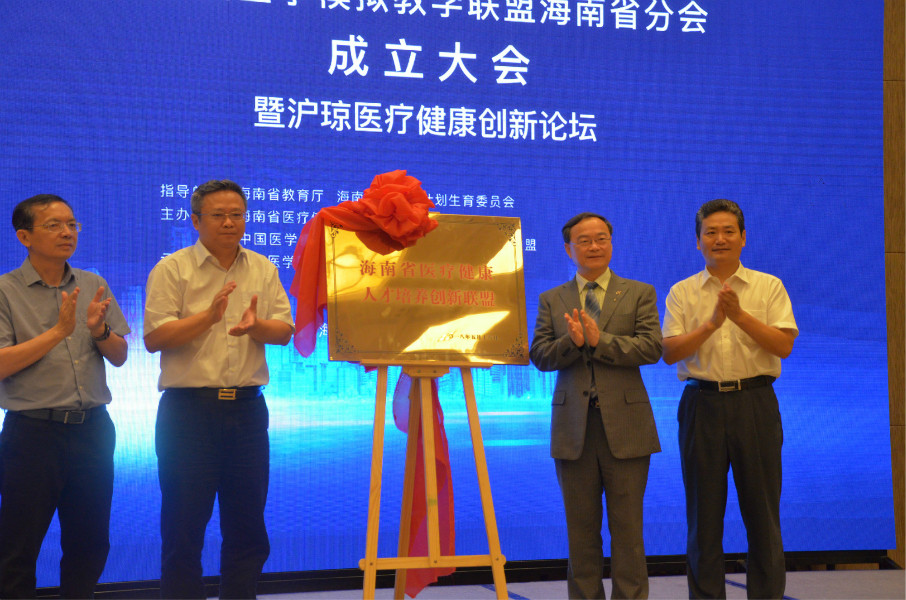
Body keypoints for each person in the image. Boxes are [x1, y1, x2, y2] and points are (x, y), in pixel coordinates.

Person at [144, 180, 294, 599]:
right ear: (196, 221)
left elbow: (283, 330)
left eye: (237, 215)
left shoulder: (262, 268)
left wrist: (256, 326)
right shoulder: (172, 269)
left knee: (247, 526)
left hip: (247, 412)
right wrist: (208, 317)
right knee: (183, 528)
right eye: (218, 215)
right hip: (188, 413)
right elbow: (155, 337)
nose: (230, 223)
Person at [662, 199, 798, 600]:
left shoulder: (768, 286)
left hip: (754, 403)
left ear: (743, 237)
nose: (719, 239)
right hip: (700, 404)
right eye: (710, 232)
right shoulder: (682, 291)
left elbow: (783, 345)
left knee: (763, 515)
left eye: (728, 231)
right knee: (702, 518)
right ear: (698, 241)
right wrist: (711, 324)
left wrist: (739, 316)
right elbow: (669, 352)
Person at [0, 194, 129, 598]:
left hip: (92, 431)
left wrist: (98, 331)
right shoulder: (5, 290)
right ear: (24, 236)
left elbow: (121, 355)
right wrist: (58, 332)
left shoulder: (93, 284)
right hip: (32, 434)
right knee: (17, 547)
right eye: (54, 225)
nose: (67, 232)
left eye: (72, 224)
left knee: (90, 543)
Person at [530, 212, 662, 599]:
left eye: (601, 238)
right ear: (568, 249)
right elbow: (540, 355)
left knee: (628, 531)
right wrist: (572, 342)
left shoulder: (639, 292)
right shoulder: (552, 298)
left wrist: (599, 340)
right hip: (574, 430)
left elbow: (651, 347)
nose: (594, 246)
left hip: (627, 427)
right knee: (581, 531)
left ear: (611, 243)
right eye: (584, 240)